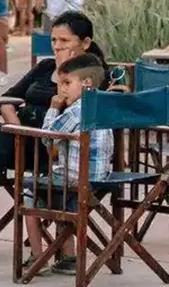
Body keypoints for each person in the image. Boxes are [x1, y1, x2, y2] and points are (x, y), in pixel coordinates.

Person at [0, 11, 110, 212]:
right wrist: (17, 129)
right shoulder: (45, 66)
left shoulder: (89, 78)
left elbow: (78, 114)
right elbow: (7, 100)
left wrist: (65, 72)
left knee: (5, 136)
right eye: (53, 40)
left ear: (85, 43)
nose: (57, 46)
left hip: (53, 150)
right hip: (21, 141)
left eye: (64, 40)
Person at [23, 53, 112, 275]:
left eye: (67, 83)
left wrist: (54, 108)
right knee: (63, 198)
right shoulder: (104, 105)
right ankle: (68, 258)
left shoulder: (76, 110)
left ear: (86, 84)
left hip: (75, 180)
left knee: (29, 194)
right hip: (99, 179)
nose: (61, 90)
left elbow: (47, 136)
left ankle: (37, 256)